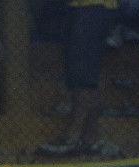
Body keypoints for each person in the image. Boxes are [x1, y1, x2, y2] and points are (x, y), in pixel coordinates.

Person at [41, 0, 121, 157]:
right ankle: (91, 137)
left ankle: (73, 135)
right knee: (80, 70)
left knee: (83, 72)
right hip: (80, 8)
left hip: (91, 7)